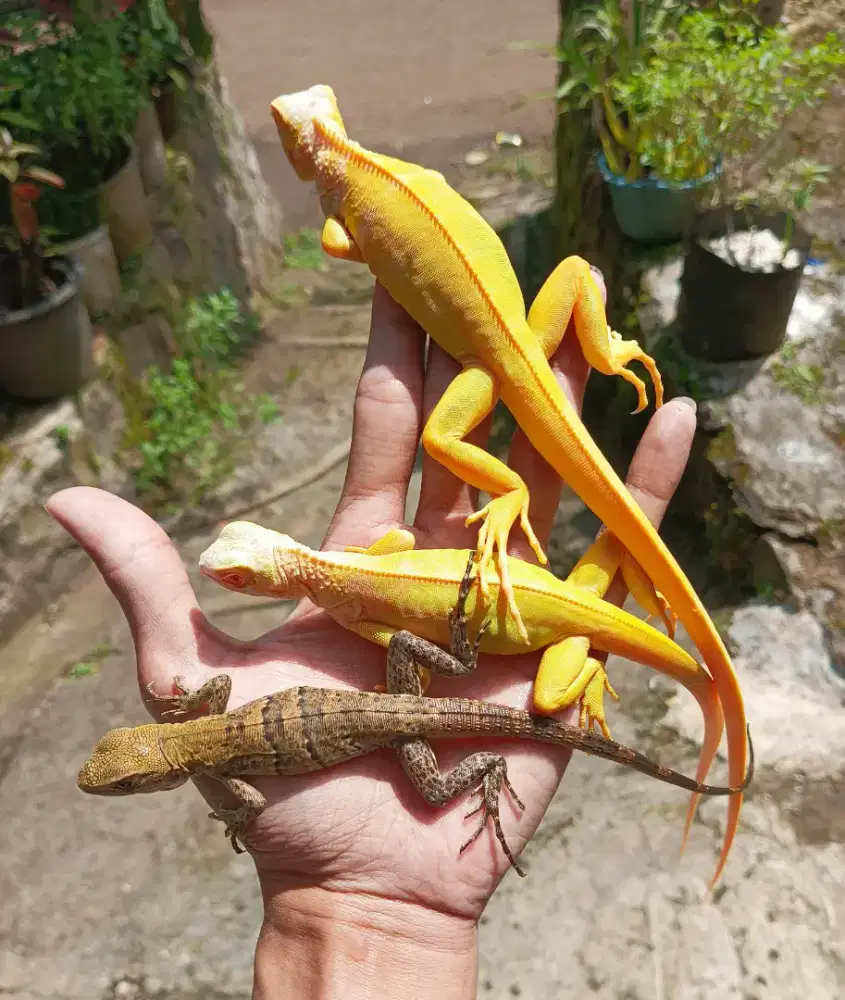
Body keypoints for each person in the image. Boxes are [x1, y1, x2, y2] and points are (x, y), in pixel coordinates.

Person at [46, 271, 697, 999]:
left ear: (163, 769)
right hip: (394, 702)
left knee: (432, 785)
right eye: (129, 776)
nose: (133, 784)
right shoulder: (208, 717)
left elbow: (253, 810)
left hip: (393, 723)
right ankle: (463, 663)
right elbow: (222, 698)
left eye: (135, 778)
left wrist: (228, 810)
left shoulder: (220, 773)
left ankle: (480, 769)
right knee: (419, 681)